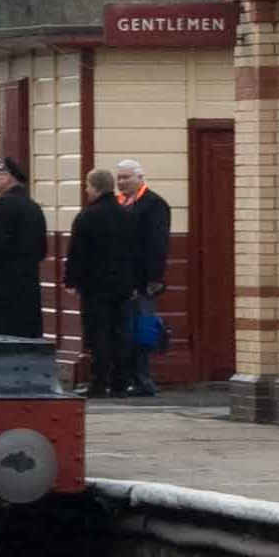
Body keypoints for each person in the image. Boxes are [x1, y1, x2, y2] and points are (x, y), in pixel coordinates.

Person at [64, 167, 136, 398]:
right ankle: (120, 383)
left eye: (87, 186)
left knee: (98, 335)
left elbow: (77, 253)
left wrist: (71, 280)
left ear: (94, 187)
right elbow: (136, 252)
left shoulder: (87, 216)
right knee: (120, 333)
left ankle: (98, 383)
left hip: (95, 286)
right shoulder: (126, 214)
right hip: (123, 285)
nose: (86, 190)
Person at [113, 159, 171, 397]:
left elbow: (158, 245)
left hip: (141, 281)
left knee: (141, 330)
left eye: (127, 177)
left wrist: (152, 279)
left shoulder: (154, 205)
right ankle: (129, 378)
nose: (122, 182)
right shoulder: (119, 204)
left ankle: (143, 380)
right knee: (125, 330)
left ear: (140, 178)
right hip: (122, 280)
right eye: (119, 178)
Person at [0, 159, 47, 339]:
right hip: (27, 285)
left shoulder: (3, 206)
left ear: (7, 177)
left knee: (0, 337)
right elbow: (42, 249)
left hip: (1, 290)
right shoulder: (34, 207)